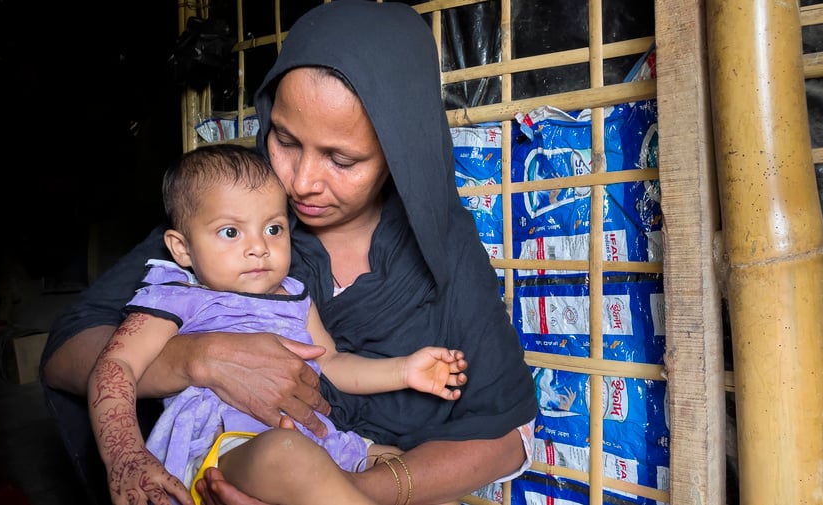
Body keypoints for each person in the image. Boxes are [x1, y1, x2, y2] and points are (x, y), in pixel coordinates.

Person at [41, 2, 540, 504]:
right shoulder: (234, 208)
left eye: (341, 159)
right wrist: (200, 358)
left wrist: (344, 488)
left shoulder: (442, 245)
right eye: (284, 139)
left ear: (400, 151)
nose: (300, 183)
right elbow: (69, 352)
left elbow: (505, 436)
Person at [87, 143, 469, 505]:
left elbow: (332, 363)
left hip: (317, 442)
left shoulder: (293, 296)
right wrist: (125, 455)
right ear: (182, 248)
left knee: (416, 477)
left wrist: (404, 370)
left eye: (273, 228)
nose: (259, 246)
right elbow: (115, 365)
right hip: (227, 451)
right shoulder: (176, 297)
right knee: (287, 453)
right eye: (231, 232)